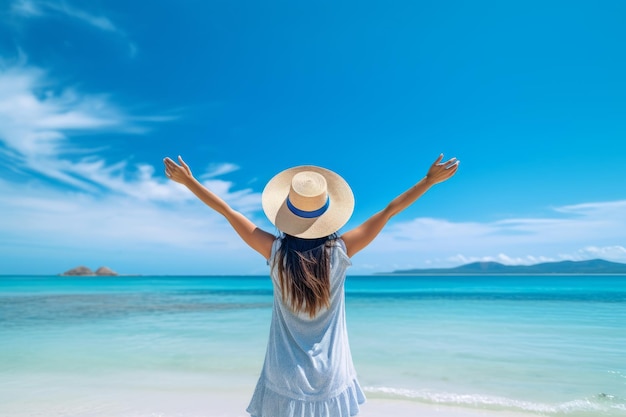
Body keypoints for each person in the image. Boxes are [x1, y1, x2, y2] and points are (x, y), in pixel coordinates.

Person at [163, 154, 459, 417]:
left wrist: (189, 182)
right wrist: (428, 181)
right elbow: (389, 211)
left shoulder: (275, 252)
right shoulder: (340, 252)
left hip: (283, 376)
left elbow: (228, 211)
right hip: (331, 375)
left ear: (286, 214)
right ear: (328, 215)